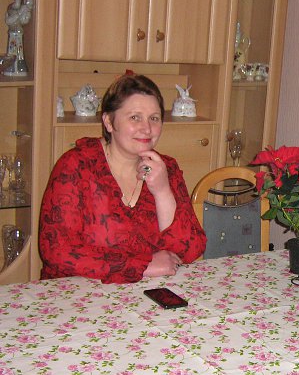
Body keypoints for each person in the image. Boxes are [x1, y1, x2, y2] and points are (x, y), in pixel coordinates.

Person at [39, 74, 206, 283]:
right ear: (109, 122)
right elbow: (56, 251)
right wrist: (142, 266)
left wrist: (163, 192)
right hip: (78, 294)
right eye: (135, 117)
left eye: (154, 118)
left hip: (147, 292)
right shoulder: (76, 165)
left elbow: (191, 250)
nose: (147, 128)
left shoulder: (166, 168)